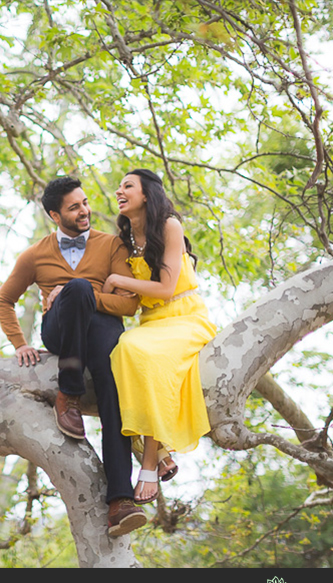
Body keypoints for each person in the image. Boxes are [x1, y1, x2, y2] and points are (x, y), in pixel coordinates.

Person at [0, 176, 147, 537]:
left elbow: (129, 303)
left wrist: (80, 292)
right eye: (74, 207)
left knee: (115, 393)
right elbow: (4, 300)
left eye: (84, 202)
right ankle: (70, 392)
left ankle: (120, 502)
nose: (84, 211)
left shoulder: (111, 245)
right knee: (77, 290)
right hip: (60, 332)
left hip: (104, 333)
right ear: (54, 214)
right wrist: (20, 343)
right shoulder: (35, 255)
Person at [105, 169, 217, 505]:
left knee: (149, 358)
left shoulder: (169, 226)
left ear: (146, 194)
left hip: (184, 317)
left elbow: (167, 288)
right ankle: (158, 449)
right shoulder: (124, 240)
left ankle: (150, 462)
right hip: (150, 321)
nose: (119, 191)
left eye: (128, 186)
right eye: (119, 187)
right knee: (123, 350)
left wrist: (119, 280)